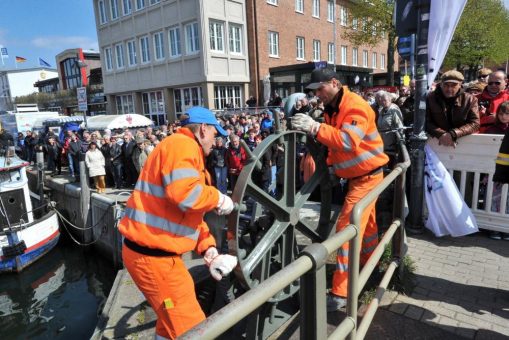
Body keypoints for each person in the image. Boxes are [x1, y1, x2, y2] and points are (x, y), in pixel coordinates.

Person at [118, 106, 238, 339]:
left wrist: (208, 248)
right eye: (215, 133)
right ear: (203, 129)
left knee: (169, 324)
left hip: (155, 256)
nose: (216, 140)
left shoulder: (180, 148)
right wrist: (218, 198)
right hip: (154, 260)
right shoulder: (183, 145)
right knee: (193, 330)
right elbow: (186, 195)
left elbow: (188, 214)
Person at [291, 68, 389, 312]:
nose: (317, 94)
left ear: (334, 83)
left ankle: (341, 293)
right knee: (368, 228)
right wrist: (334, 169)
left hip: (367, 178)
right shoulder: (332, 108)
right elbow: (335, 148)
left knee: (346, 229)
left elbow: (347, 141)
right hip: (359, 178)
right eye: (314, 91)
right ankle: (371, 267)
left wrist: (314, 128)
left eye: (320, 89)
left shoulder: (355, 106)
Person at [426, 70, 480, 147]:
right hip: (436, 143)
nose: (449, 89)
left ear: (460, 85)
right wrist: (441, 134)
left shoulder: (470, 99)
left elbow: (475, 124)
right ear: (441, 84)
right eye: (446, 85)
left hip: (463, 142)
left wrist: (453, 134)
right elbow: (425, 121)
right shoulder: (430, 98)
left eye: (454, 85)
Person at [376, 91, 404, 167]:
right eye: (381, 100)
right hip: (383, 144)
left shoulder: (394, 109)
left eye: (385, 100)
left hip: (391, 145)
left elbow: (399, 126)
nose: (383, 102)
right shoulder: (382, 110)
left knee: (391, 165)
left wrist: (400, 142)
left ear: (390, 99)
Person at [491, 122, 509, 240]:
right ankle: (497, 228)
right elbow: (504, 152)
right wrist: (500, 174)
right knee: (499, 200)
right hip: (504, 176)